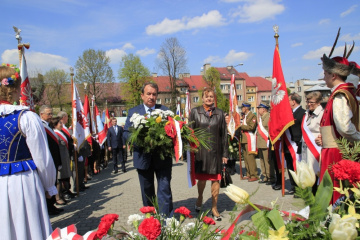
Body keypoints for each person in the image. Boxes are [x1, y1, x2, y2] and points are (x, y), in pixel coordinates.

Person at [0, 64, 57, 239]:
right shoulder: (26, 117)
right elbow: (42, 158)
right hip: (23, 183)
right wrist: (49, 186)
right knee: (28, 226)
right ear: (16, 88)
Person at [123, 82, 173, 216]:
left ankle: (166, 218)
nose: (151, 97)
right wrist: (140, 141)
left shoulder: (165, 111)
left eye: (154, 94)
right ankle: (151, 218)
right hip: (143, 158)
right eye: (148, 94)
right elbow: (126, 133)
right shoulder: (133, 112)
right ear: (142, 95)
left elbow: (173, 131)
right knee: (147, 191)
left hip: (162, 159)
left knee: (164, 189)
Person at [316, 53, 360, 204]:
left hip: (337, 153)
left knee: (335, 193)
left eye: (325, 74)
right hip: (333, 149)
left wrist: (358, 139)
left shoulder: (340, 95)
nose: (324, 78)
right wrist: (325, 137)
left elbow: (345, 127)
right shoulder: (339, 93)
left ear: (333, 75)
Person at [189, 88, 228, 221]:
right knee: (202, 179)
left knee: (216, 179)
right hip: (201, 153)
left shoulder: (220, 113)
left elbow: (224, 135)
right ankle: (200, 198)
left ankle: (214, 207)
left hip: (216, 153)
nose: (209, 99)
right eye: (206, 96)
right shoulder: (195, 112)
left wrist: (225, 153)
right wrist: (191, 150)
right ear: (202, 98)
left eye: (211, 96)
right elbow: (190, 133)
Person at [274, 93, 306, 194]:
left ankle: (299, 187)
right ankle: (293, 186)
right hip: (287, 144)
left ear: (293, 101)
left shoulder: (303, 113)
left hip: (296, 144)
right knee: (290, 167)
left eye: (288, 101)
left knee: (298, 167)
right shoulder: (289, 114)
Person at [40, 105, 64, 215]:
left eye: (51, 114)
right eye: (48, 114)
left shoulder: (48, 126)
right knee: (48, 184)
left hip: (54, 160)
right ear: (41, 114)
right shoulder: (41, 126)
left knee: (53, 183)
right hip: (47, 160)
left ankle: (52, 205)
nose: (50, 116)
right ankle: (48, 208)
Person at [301, 91, 324, 194]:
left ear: (319, 102)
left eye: (312, 102)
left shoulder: (322, 114)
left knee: (316, 174)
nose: (309, 104)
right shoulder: (307, 113)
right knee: (308, 174)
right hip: (306, 148)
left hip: (316, 148)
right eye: (308, 102)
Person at [50, 117, 72, 205]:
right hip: (60, 159)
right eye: (60, 123)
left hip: (65, 157)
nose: (62, 125)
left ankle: (62, 195)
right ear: (55, 125)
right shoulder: (55, 134)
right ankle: (58, 197)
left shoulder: (61, 133)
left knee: (64, 177)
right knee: (59, 179)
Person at [57, 111, 76, 199]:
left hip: (68, 154)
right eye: (66, 117)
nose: (67, 118)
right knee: (63, 175)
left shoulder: (64, 128)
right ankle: (64, 192)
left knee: (67, 173)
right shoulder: (59, 130)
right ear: (63, 117)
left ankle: (68, 190)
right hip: (63, 155)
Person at [256, 101, 275, 184]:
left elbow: (270, 131)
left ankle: (270, 176)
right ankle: (265, 176)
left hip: (266, 142)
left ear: (263, 109)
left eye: (259, 108)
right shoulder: (261, 118)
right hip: (261, 143)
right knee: (262, 160)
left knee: (267, 161)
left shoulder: (268, 117)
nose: (258, 110)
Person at [239, 102, 258, 182]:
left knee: (250, 158)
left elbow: (251, 127)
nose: (242, 109)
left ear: (246, 108)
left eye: (242, 107)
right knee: (246, 158)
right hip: (244, 139)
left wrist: (240, 126)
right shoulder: (245, 116)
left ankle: (254, 174)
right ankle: (248, 173)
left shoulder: (252, 116)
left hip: (249, 138)